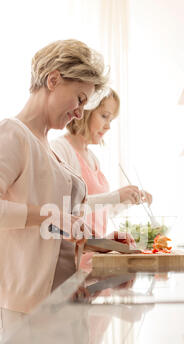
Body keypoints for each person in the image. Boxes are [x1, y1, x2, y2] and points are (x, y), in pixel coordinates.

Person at [0, 39, 118, 342]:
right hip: (19, 307)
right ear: (54, 79)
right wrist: (52, 216)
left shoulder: (45, 144)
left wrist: (103, 242)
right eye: (79, 99)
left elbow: (54, 231)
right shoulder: (11, 134)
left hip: (54, 302)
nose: (80, 112)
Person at [50, 88, 152, 267]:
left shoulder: (92, 158)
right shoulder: (60, 149)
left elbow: (101, 212)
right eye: (104, 116)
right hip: (72, 261)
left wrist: (129, 200)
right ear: (86, 111)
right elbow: (65, 210)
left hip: (93, 254)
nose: (108, 126)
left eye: (111, 119)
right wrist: (115, 196)